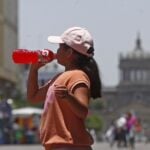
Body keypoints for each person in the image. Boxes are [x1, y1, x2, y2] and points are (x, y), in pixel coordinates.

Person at [27, 26, 102, 150]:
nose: (56, 51)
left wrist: (68, 96)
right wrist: (34, 70)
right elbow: (33, 97)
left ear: (69, 53)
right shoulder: (59, 77)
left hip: (70, 145)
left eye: (60, 48)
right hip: (59, 145)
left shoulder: (77, 76)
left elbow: (82, 111)